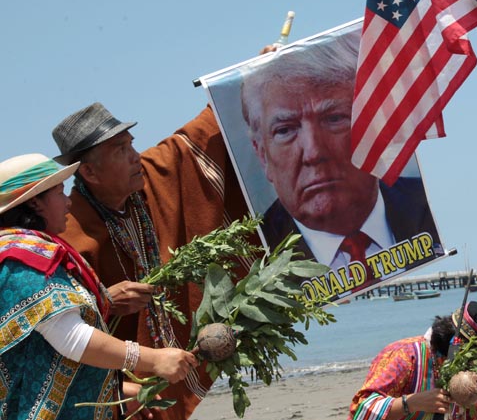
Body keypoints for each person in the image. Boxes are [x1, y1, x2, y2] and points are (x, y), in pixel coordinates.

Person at [51, 102, 251, 420]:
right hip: (110, 386)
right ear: (88, 172)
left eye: (131, 144)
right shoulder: (68, 231)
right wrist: (103, 300)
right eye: (120, 150)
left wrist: (247, 80)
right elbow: (53, 323)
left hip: (162, 365)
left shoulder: (148, 178)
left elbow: (197, 137)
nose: (134, 156)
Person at [240, 31, 443, 289]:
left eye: (334, 119)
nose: (313, 153)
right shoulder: (255, 257)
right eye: (285, 130)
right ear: (262, 155)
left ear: (373, 125)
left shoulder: (422, 211)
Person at [0, 153, 197, 420]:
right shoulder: (23, 258)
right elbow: (71, 337)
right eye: (59, 192)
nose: (68, 202)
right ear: (35, 203)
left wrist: (114, 391)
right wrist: (153, 359)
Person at [350, 301, 477, 420]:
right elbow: (362, 411)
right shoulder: (404, 355)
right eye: (473, 355)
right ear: (459, 345)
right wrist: (411, 403)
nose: (473, 364)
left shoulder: (465, 371)